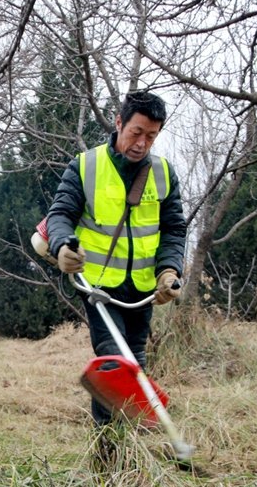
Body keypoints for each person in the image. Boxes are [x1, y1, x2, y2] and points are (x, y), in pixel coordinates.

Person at [45, 90, 187, 425]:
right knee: (114, 361)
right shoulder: (85, 166)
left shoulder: (164, 173)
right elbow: (60, 214)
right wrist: (63, 246)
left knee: (135, 359)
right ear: (119, 122)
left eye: (151, 136)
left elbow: (173, 230)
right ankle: (108, 443)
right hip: (99, 286)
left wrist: (169, 270)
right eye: (136, 133)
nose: (141, 143)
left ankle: (130, 439)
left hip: (143, 288)